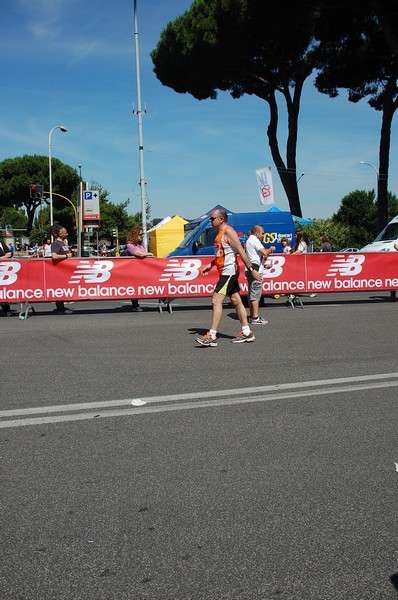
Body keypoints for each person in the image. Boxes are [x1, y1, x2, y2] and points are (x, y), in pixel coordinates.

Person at [195, 208, 262, 347]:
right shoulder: (219, 234)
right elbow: (223, 254)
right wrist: (211, 264)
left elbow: (241, 251)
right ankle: (247, 332)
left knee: (216, 300)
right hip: (224, 271)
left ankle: (212, 335)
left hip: (229, 272)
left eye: (213, 218)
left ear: (222, 219)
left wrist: (251, 269)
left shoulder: (228, 231)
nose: (210, 220)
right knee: (236, 301)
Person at [244, 225, 276, 324]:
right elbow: (265, 252)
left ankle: (252, 315)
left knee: (251, 293)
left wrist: (264, 265)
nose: (263, 236)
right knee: (255, 294)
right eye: (262, 233)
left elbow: (255, 257)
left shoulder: (250, 240)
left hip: (252, 268)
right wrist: (271, 249)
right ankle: (255, 318)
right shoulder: (254, 240)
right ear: (257, 233)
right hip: (255, 270)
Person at [125, 226, 154, 312]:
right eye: (140, 234)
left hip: (143, 269)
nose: (141, 236)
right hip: (133, 270)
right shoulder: (129, 245)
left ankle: (164, 297)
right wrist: (150, 254)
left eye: (142, 234)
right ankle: (135, 305)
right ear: (134, 234)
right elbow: (140, 254)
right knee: (134, 287)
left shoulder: (140, 245)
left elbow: (144, 254)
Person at [51, 225, 74, 314]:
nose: (67, 234)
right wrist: (66, 256)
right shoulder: (56, 244)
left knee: (62, 288)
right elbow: (54, 256)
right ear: (60, 234)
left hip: (65, 271)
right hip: (59, 271)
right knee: (59, 288)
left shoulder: (63, 243)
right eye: (65, 233)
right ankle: (60, 308)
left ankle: (62, 307)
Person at [0, 239, 13, 316]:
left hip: (2, 271)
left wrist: (1, 258)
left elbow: (9, 254)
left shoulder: (1, 244)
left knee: (1, 290)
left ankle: (6, 309)